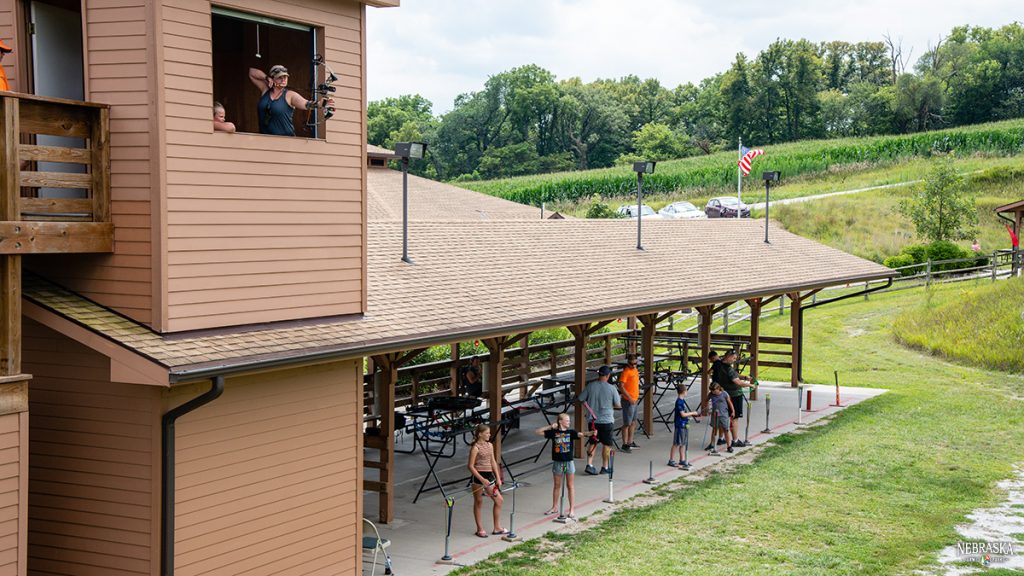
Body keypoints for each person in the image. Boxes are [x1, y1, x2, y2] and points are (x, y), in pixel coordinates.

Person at [535, 413, 596, 519]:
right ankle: (554, 507)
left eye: (569, 420)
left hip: (568, 462)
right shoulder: (554, 432)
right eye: (567, 420)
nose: (569, 422)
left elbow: (582, 434)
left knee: (570, 486)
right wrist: (550, 426)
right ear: (560, 421)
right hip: (558, 462)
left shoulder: (571, 432)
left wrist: (591, 433)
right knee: (557, 486)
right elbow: (537, 432)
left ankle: (572, 509)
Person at [248, 64, 333, 136]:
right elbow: (251, 72)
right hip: (265, 140)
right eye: (280, 77)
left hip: (286, 141)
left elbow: (306, 104)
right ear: (272, 78)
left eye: (285, 76)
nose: (283, 79)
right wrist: (266, 77)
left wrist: (319, 104)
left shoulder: (290, 95)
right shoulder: (265, 89)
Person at [578, 365, 620, 475]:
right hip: (607, 420)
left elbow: (580, 398)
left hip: (593, 420)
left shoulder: (590, 386)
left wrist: (589, 406)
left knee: (593, 441)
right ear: (608, 375)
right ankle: (604, 467)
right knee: (606, 445)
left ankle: (589, 464)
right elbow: (617, 404)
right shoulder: (612, 388)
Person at [467, 424, 504, 537]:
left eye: (489, 433)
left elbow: (493, 462)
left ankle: (497, 527)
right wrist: (482, 479)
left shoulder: (490, 445)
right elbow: (470, 466)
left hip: (489, 476)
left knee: (499, 501)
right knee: (478, 501)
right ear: (480, 434)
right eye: (487, 433)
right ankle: (480, 529)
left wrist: (498, 477)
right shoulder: (475, 448)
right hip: (479, 476)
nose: (489, 435)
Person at [716, 350, 754, 448]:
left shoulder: (718, 364)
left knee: (722, 416)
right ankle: (735, 440)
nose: (734, 360)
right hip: (734, 395)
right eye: (734, 358)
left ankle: (721, 438)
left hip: (722, 394)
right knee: (734, 417)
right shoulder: (728, 369)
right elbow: (738, 382)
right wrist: (751, 385)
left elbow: (734, 375)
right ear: (728, 356)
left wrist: (745, 377)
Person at [669, 382, 700, 469]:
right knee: (676, 443)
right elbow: (682, 414)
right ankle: (671, 460)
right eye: (686, 391)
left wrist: (688, 417)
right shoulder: (679, 402)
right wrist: (693, 413)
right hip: (679, 425)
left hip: (684, 424)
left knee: (683, 443)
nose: (687, 392)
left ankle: (682, 459)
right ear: (683, 391)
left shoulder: (682, 401)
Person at [617, 354, 641, 452]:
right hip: (628, 401)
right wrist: (629, 397)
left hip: (635, 399)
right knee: (627, 423)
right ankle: (624, 444)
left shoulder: (635, 370)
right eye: (632, 364)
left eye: (635, 363)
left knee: (633, 421)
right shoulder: (625, 372)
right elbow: (621, 386)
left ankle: (630, 441)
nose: (634, 366)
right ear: (628, 363)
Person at [705, 382, 734, 454]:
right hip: (715, 415)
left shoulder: (724, 394)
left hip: (724, 415)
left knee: (726, 430)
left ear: (718, 389)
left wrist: (733, 411)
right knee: (714, 430)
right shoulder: (711, 394)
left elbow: (730, 403)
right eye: (711, 391)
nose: (713, 392)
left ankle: (729, 446)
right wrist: (708, 409)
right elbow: (706, 400)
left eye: (714, 391)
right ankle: (712, 445)